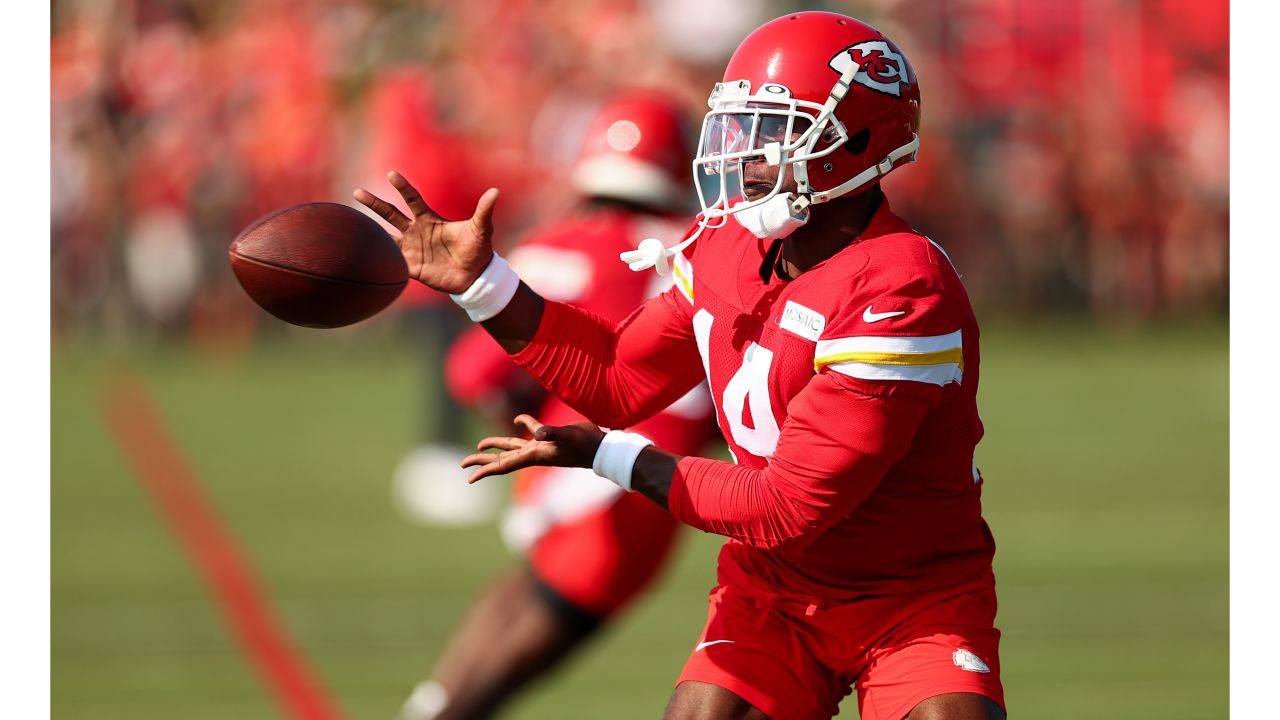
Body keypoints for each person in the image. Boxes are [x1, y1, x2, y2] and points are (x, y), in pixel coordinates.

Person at [359, 12, 1006, 720]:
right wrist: (485, 285)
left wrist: (611, 458)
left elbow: (787, 507)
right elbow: (616, 374)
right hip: (775, 595)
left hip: (911, 601)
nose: (745, 154)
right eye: (742, 126)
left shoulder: (899, 288)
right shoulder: (728, 245)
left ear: (855, 142)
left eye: (774, 130)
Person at [398, 91, 717, 720]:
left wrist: (520, 420)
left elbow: (472, 375)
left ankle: (431, 707)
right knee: (528, 621)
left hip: (570, 459)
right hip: (653, 479)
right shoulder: (705, 247)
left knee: (524, 603)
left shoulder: (557, 242)